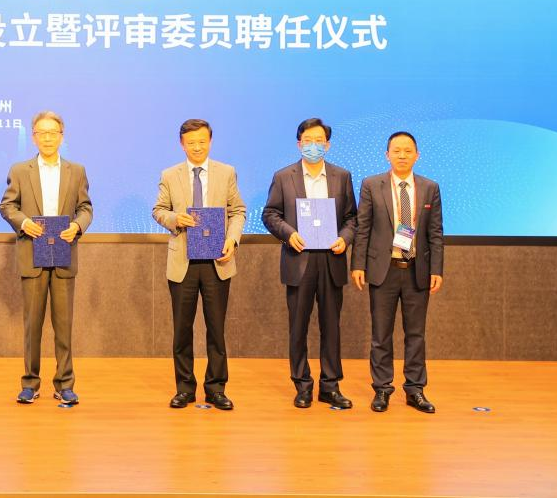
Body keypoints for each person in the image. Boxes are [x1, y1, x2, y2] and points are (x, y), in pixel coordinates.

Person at [261, 117, 357, 409]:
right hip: (298, 259)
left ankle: (330, 386)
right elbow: (270, 214)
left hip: (331, 259)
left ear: (327, 145)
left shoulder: (342, 176)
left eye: (319, 141)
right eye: (308, 140)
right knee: (298, 327)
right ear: (299, 144)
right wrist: (288, 234)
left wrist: (344, 238)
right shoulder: (283, 176)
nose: (313, 146)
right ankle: (302, 385)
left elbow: (352, 218)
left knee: (331, 327)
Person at [0, 110, 93, 405]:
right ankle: (30, 383)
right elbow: (7, 206)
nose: (48, 138)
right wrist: (23, 222)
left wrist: (78, 226)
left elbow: (86, 208)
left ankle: (65, 383)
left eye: (53, 133)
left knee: (64, 326)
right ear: (33, 137)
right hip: (33, 253)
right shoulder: (20, 170)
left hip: (63, 253)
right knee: (32, 325)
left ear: (62, 137)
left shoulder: (76, 170)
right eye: (42, 133)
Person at [151, 118, 245, 411]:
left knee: (216, 329)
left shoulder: (226, 172)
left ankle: (216, 389)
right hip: (183, 261)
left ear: (210, 141)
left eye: (202, 141)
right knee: (182, 329)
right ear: (182, 144)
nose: (197, 147)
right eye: (191, 142)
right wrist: (175, 219)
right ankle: (184, 388)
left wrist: (232, 240)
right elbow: (158, 210)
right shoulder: (170, 175)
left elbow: (238, 211)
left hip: (217, 260)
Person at [352, 131, 444, 414]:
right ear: (387, 155)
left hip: (417, 269)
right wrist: (358, 264)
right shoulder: (372, 185)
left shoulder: (429, 187)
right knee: (381, 335)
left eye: (407, 151)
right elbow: (363, 227)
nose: (402, 155)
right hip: (384, 270)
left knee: (416, 335)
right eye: (396, 150)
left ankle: (415, 390)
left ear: (417, 155)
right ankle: (382, 389)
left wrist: (437, 269)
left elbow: (435, 232)